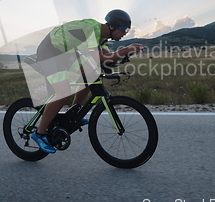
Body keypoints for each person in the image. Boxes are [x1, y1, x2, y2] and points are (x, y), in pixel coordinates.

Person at [31, 9, 143, 153]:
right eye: (124, 29)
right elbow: (100, 58)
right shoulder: (92, 30)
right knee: (63, 92)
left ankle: (73, 113)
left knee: (92, 75)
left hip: (66, 52)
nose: (125, 33)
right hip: (50, 50)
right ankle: (39, 133)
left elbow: (107, 56)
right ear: (114, 25)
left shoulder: (102, 37)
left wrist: (124, 56)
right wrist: (126, 49)